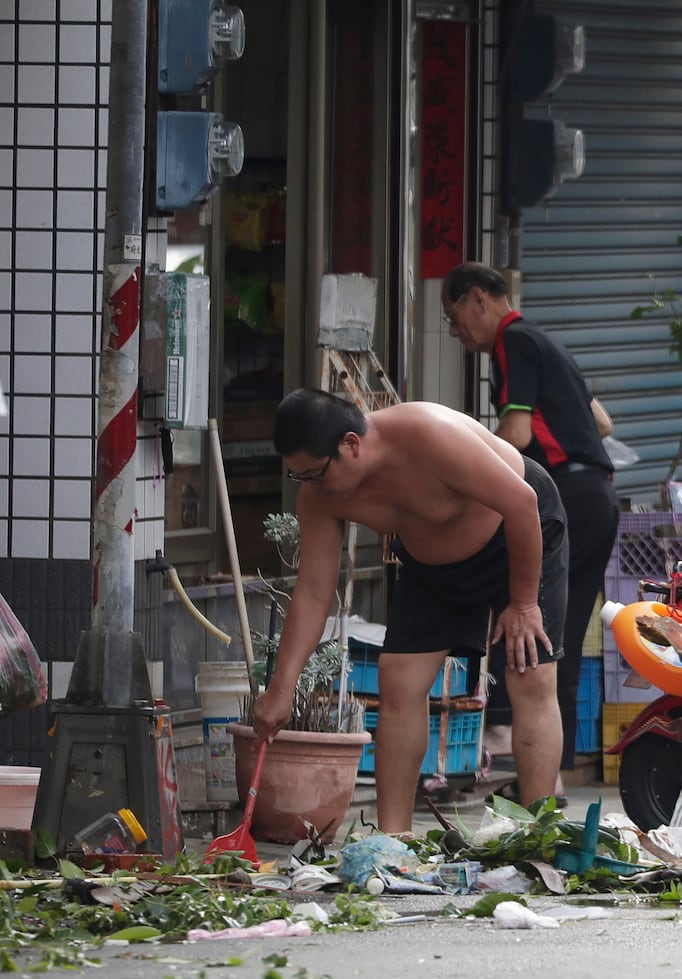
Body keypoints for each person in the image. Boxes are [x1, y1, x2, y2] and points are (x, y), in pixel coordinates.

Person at [255, 389, 569, 834]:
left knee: (530, 674)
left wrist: (523, 604)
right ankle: (393, 839)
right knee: (398, 680)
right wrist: (282, 688)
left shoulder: (427, 434)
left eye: (316, 474)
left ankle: (541, 834)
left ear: (350, 445)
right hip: (430, 562)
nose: (311, 486)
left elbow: (522, 502)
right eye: (299, 476)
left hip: (516, 534)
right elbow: (312, 591)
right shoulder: (320, 495)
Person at [441, 262, 621, 806]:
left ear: (478, 299)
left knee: (526, 619)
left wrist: (462, 470)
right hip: (600, 500)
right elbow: (603, 423)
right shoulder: (548, 344)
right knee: (555, 633)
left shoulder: (512, 343)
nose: (456, 333)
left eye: (454, 318)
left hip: (564, 500)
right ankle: (551, 779)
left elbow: (516, 435)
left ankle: (500, 735)